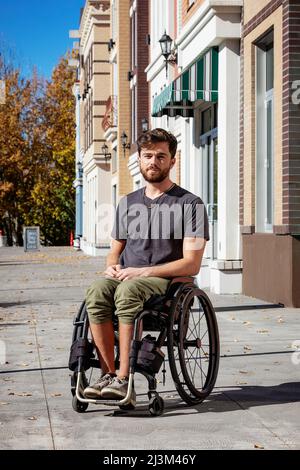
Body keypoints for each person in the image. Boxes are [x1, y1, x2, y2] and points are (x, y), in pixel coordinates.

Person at [83, 128, 209, 405]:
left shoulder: (191, 204)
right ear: (139, 159)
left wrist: (142, 272)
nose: (154, 161)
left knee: (128, 291)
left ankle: (124, 380)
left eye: (161, 156)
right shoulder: (128, 203)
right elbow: (114, 253)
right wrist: (111, 267)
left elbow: (192, 263)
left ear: (172, 161)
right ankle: (107, 375)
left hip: (166, 281)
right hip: (127, 277)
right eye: (148, 155)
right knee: (96, 290)